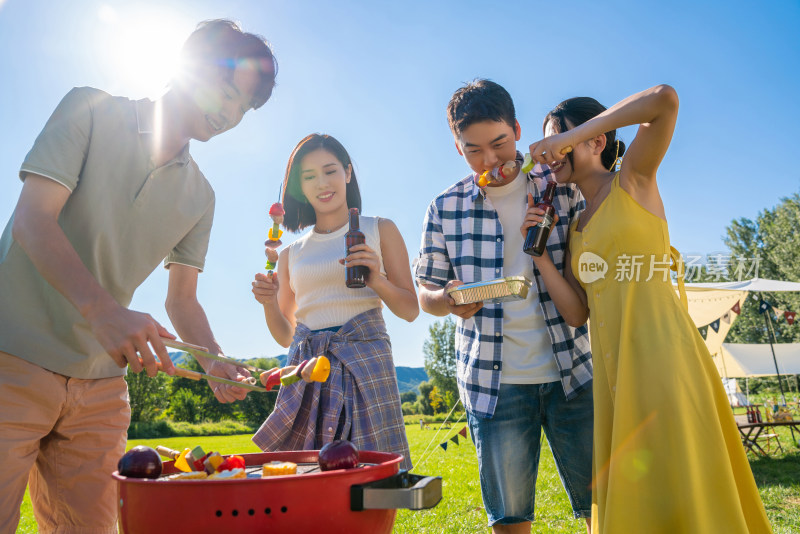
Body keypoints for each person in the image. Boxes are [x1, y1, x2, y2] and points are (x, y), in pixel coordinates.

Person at [0, 19, 277, 533]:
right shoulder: (89, 108)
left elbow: (183, 301)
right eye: (227, 92)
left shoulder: (201, 196)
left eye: (244, 108)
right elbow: (32, 222)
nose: (231, 114)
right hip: (11, 359)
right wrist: (103, 311)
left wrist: (211, 359)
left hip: (100, 388)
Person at [526, 85, 772, 533]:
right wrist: (542, 258)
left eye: (559, 141)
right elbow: (577, 313)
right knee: (641, 489)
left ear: (596, 140)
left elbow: (665, 100)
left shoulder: (634, 178)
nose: (550, 156)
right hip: (615, 374)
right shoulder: (576, 227)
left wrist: (575, 131)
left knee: (683, 473)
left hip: (666, 357)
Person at [415, 79, 593, 533]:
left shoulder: (562, 189)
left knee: (603, 509)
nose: (491, 160)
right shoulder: (444, 207)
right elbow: (426, 295)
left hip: (573, 369)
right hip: (493, 383)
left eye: (500, 143)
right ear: (458, 149)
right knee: (510, 521)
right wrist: (448, 301)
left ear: (517, 129)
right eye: (474, 150)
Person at [251, 133, 417, 470]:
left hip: (366, 363)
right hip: (308, 371)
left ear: (348, 173)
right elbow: (286, 335)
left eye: (329, 171)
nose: (322, 183)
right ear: (298, 187)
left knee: (373, 477)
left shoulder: (379, 229)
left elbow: (410, 310)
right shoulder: (289, 254)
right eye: (309, 176)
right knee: (305, 478)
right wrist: (268, 303)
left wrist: (375, 279)